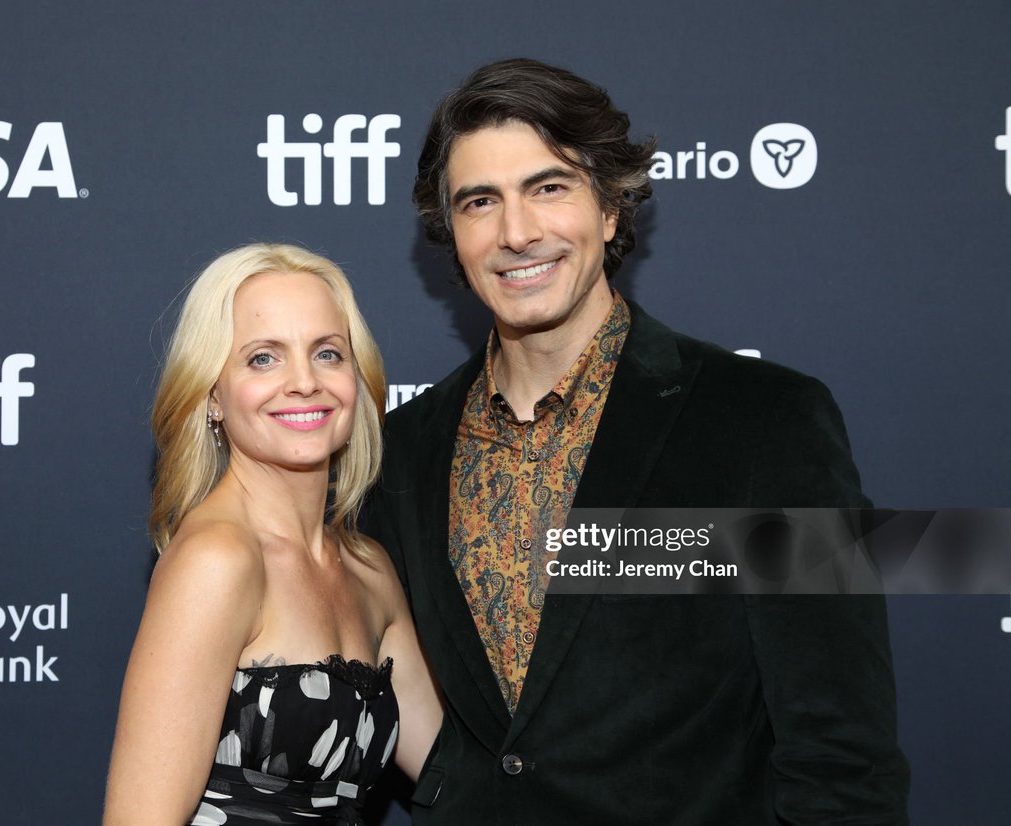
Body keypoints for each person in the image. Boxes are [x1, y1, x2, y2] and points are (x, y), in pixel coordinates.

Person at [361, 59, 910, 823]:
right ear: (451, 236)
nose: (517, 232)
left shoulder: (765, 422)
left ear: (613, 208)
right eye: (480, 202)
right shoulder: (400, 454)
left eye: (549, 187)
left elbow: (843, 756)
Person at [104, 243, 441, 826]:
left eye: (328, 353)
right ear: (212, 394)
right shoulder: (217, 559)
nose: (304, 382)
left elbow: (455, 764)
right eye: (264, 358)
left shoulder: (368, 567)